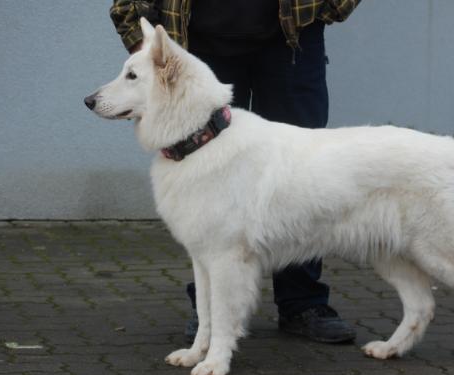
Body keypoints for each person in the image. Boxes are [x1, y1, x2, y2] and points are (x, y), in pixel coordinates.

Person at [110, 0, 360, 344]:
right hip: (199, 40)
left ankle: (303, 304)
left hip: (291, 36)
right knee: (206, 195)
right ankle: (210, 312)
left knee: (304, 178)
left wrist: (328, 6)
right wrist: (144, 44)